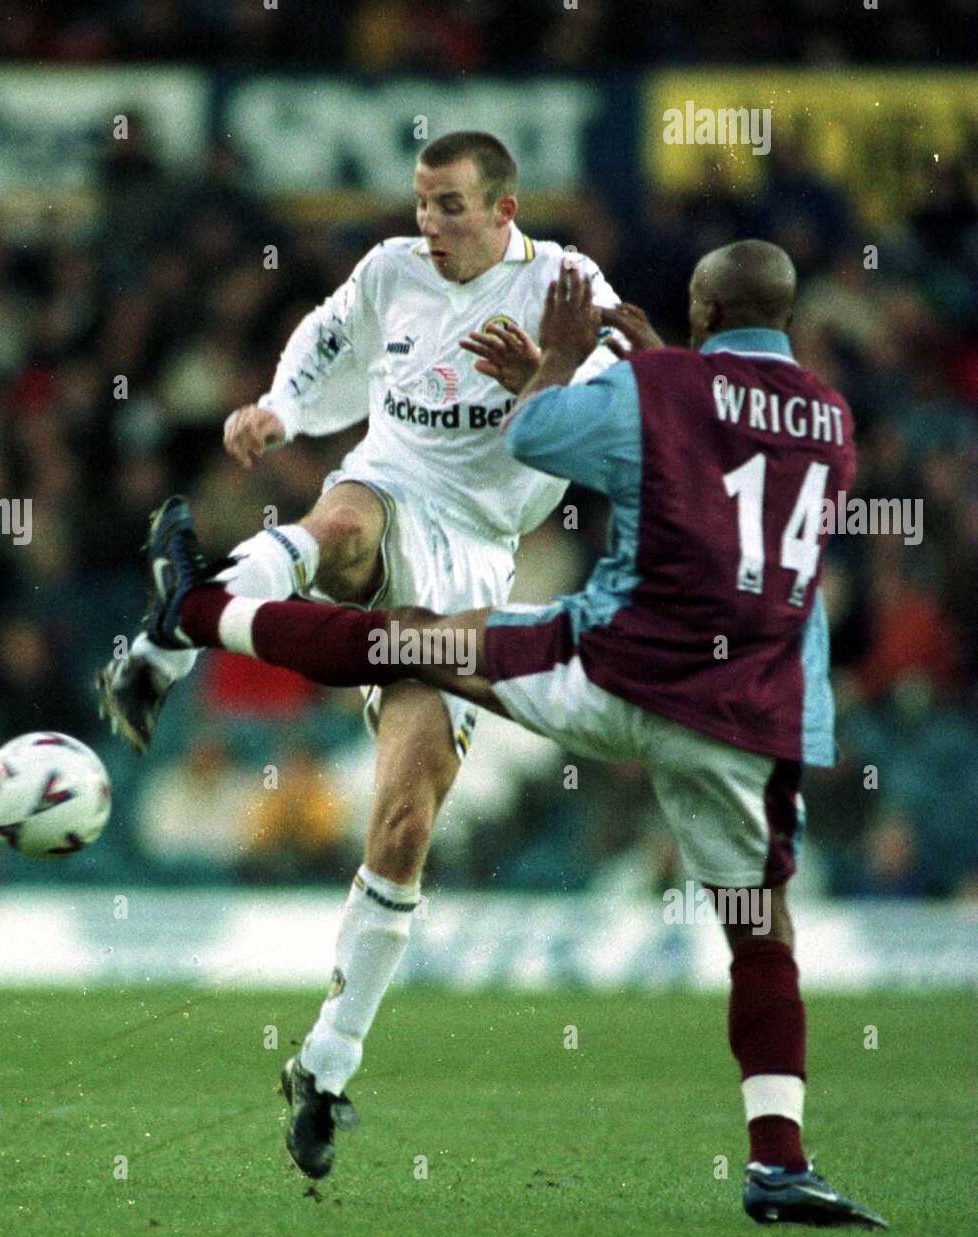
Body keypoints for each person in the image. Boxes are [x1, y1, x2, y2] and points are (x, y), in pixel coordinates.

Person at [136, 242, 888, 1229]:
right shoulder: (830, 423)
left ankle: (195, 611)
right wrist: (654, 357)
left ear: (700, 309)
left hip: (614, 669)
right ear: (781, 320)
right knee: (759, 934)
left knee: (404, 641)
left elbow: (540, 439)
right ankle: (778, 1163)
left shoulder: (657, 391)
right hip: (748, 712)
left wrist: (551, 364)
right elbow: (721, 441)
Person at [98, 131, 621, 1177]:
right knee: (336, 530)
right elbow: (327, 339)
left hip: (477, 558)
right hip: (387, 484)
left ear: (504, 207)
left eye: (450, 207)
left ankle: (325, 1066)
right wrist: (278, 410)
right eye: (421, 202)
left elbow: (612, 432)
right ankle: (177, 624)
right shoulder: (390, 269)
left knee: (403, 819)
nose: (428, 224)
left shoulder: (567, 287)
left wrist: (547, 379)